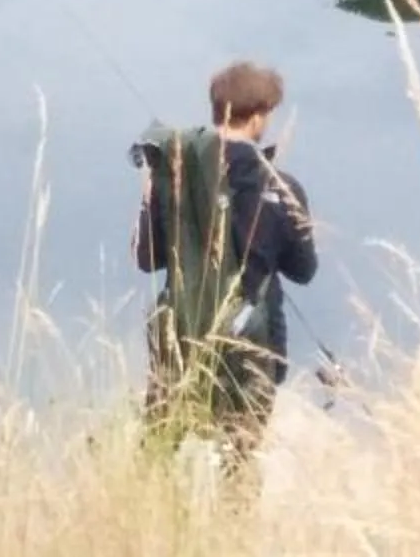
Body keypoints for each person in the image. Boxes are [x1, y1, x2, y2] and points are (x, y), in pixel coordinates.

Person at [131, 57, 318, 470]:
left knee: (159, 447)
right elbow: (304, 270)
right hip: (252, 340)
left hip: (178, 334)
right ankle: (232, 505)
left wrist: (150, 201)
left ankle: (143, 504)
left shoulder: (173, 177)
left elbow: (145, 258)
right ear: (260, 117)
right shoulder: (280, 186)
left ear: (217, 109)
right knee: (240, 459)